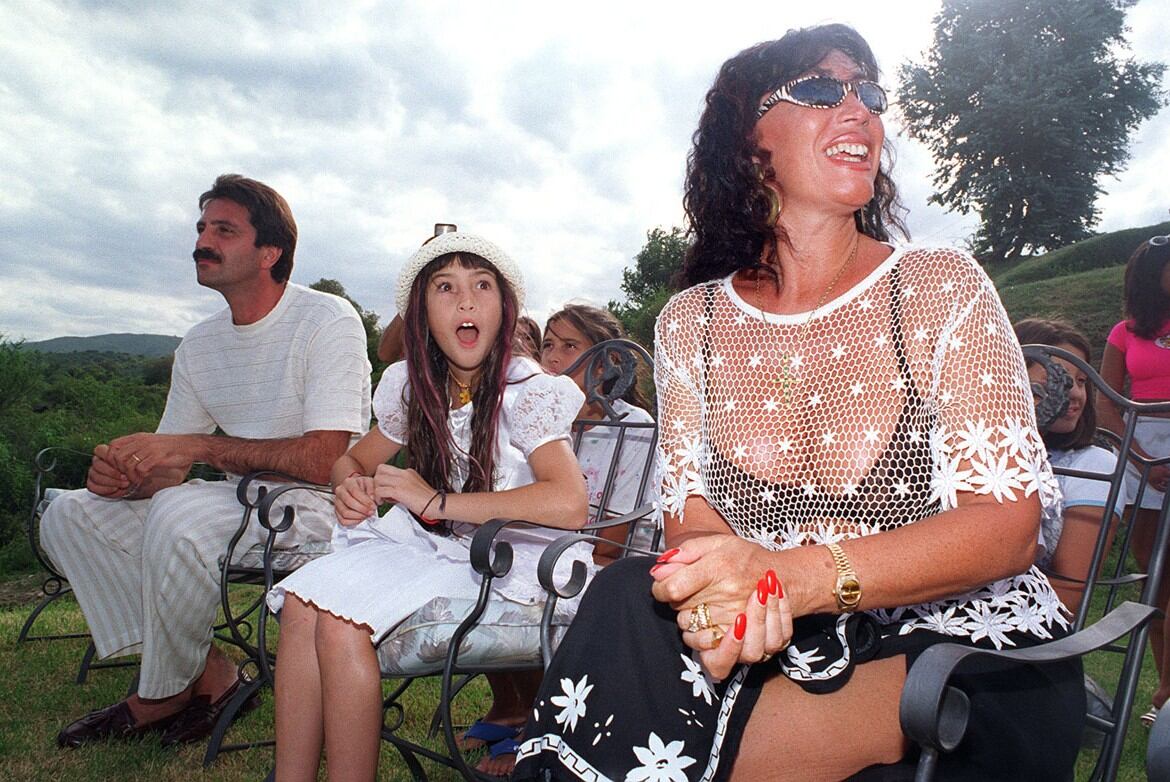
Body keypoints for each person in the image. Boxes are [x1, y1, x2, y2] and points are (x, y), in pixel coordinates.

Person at [514, 24, 1080, 781]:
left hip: (955, 653)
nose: (859, 110)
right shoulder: (694, 322)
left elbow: (1006, 529)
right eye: (820, 89)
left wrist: (794, 579)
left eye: (869, 94)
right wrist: (730, 602)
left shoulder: (938, 287)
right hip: (776, 635)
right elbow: (691, 519)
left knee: (667, 739)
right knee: (626, 592)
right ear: (748, 144)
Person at [41, 174, 372, 749]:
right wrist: (124, 478)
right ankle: (210, 675)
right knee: (69, 513)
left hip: (317, 510)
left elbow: (326, 460)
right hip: (232, 507)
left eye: (223, 229)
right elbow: (168, 469)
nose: (203, 240)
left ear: (270, 252)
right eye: (201, 228)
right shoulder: (199, 344)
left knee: (183, 516)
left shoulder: (327, 320)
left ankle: (161, 696)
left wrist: (199, 450)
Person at [266, 231, 590, 781]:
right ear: (422, 314)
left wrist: (437, 500)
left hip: (519, 563)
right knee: (301, 603)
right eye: (446, 287)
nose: (466, 301)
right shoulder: (417, 386)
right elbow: (352, 460)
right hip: (454, 551)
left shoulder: (527, 390)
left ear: (504, 310)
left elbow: (569, 501)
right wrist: (352, 486)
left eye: (481, 285)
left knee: (342, 625)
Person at [1099, 234, 1170, 726]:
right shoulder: (1123, 333)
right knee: (1157, 579)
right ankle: (1165, 691)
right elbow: (1107, 404)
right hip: (1143, 456)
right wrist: (1144, 460)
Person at [1014, 319, 1125, 613]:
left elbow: (1068, 596)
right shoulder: (966, 452)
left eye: (1081, 381)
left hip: (1028, 630)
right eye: (1058, 379)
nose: (1075, 393)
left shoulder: (1095, 465)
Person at [540, 303, 658, 560]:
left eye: (569, 346)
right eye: (547, 345)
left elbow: (611, 543)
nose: (552, 357)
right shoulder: (539, 422)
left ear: (605, 364)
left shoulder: (634, 427)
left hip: (609, 568)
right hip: (545, 558)